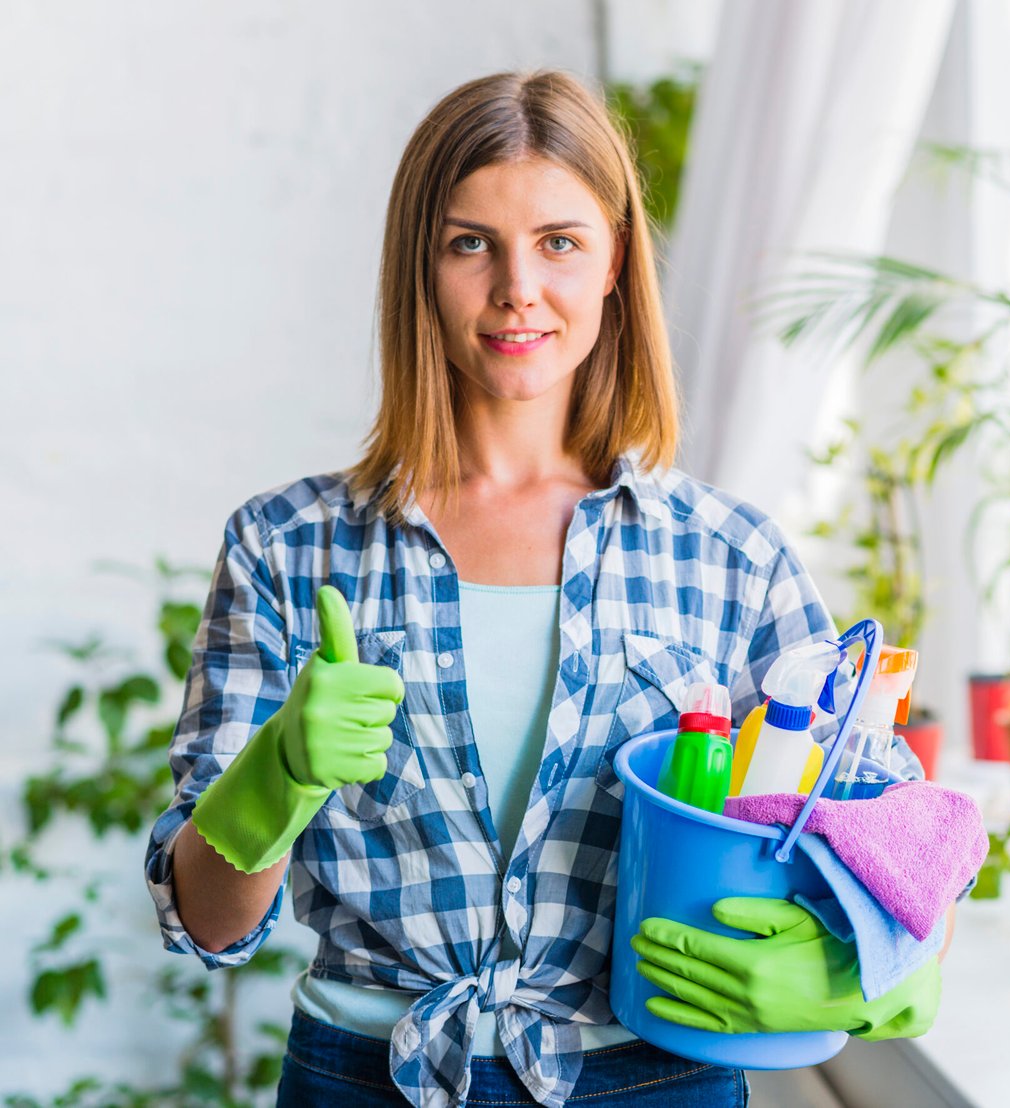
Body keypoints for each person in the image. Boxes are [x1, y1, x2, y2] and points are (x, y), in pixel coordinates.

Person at [143, 70, 940, 1108]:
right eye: (471, 242)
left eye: (559, 241)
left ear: (614, 260)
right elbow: (207, 919)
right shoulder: (286, 547)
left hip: (656, 1078)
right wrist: (275, 776)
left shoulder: (728, 557)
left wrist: (871, 977)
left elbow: (901, 838)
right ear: (420, 268)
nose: (518, 285)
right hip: (368, 1078)